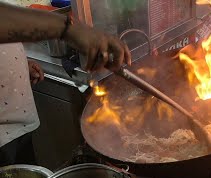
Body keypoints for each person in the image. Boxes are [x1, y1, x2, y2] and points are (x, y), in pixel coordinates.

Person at [0, 2, 131, 166]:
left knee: (23, 168)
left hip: (20, 121)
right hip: (2, 132)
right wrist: (68, 30)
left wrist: (21, 62)